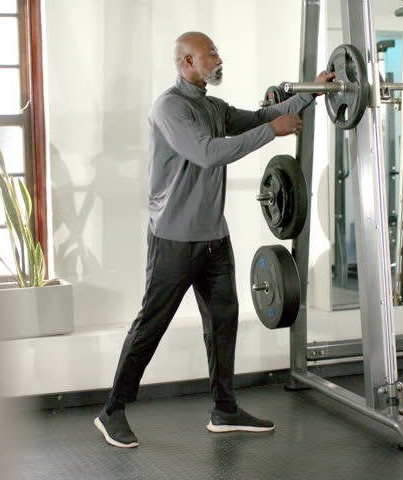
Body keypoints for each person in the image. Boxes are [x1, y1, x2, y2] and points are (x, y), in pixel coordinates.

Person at [94, 31, 335, 448]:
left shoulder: (212, 106)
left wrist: (312, 90)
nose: (219, 60)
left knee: (223, 323)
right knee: (152, 324)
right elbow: (208, 152)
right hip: (175, 238)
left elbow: (261, 117)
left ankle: (225, 410)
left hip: (214, 238)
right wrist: (273, 131)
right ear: (187, 62)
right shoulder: (170, 108)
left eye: (218, 53)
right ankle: (112, 410)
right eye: (211, 55)